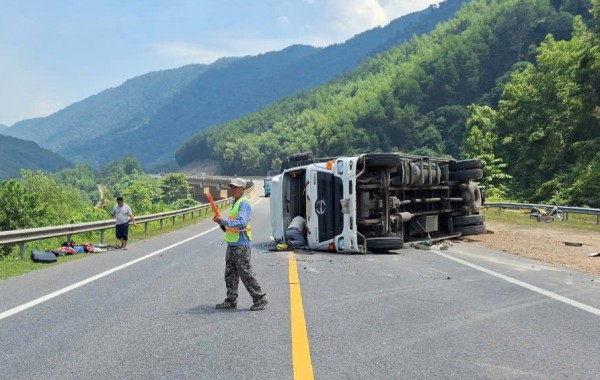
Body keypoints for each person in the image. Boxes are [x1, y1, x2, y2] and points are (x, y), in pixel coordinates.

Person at [212, 177, 268, 311]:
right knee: (230, 273)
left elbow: (242, 222)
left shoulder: (244, 203)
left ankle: (260, 298)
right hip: (232, 243)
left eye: (235, 187)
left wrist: (224, 221)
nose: (232, 189)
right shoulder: (235, 202)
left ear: (242, 189)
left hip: (241, 244)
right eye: (231, 187)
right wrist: (221, 224)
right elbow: (231, 224)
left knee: (245, 273)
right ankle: (231, 300)